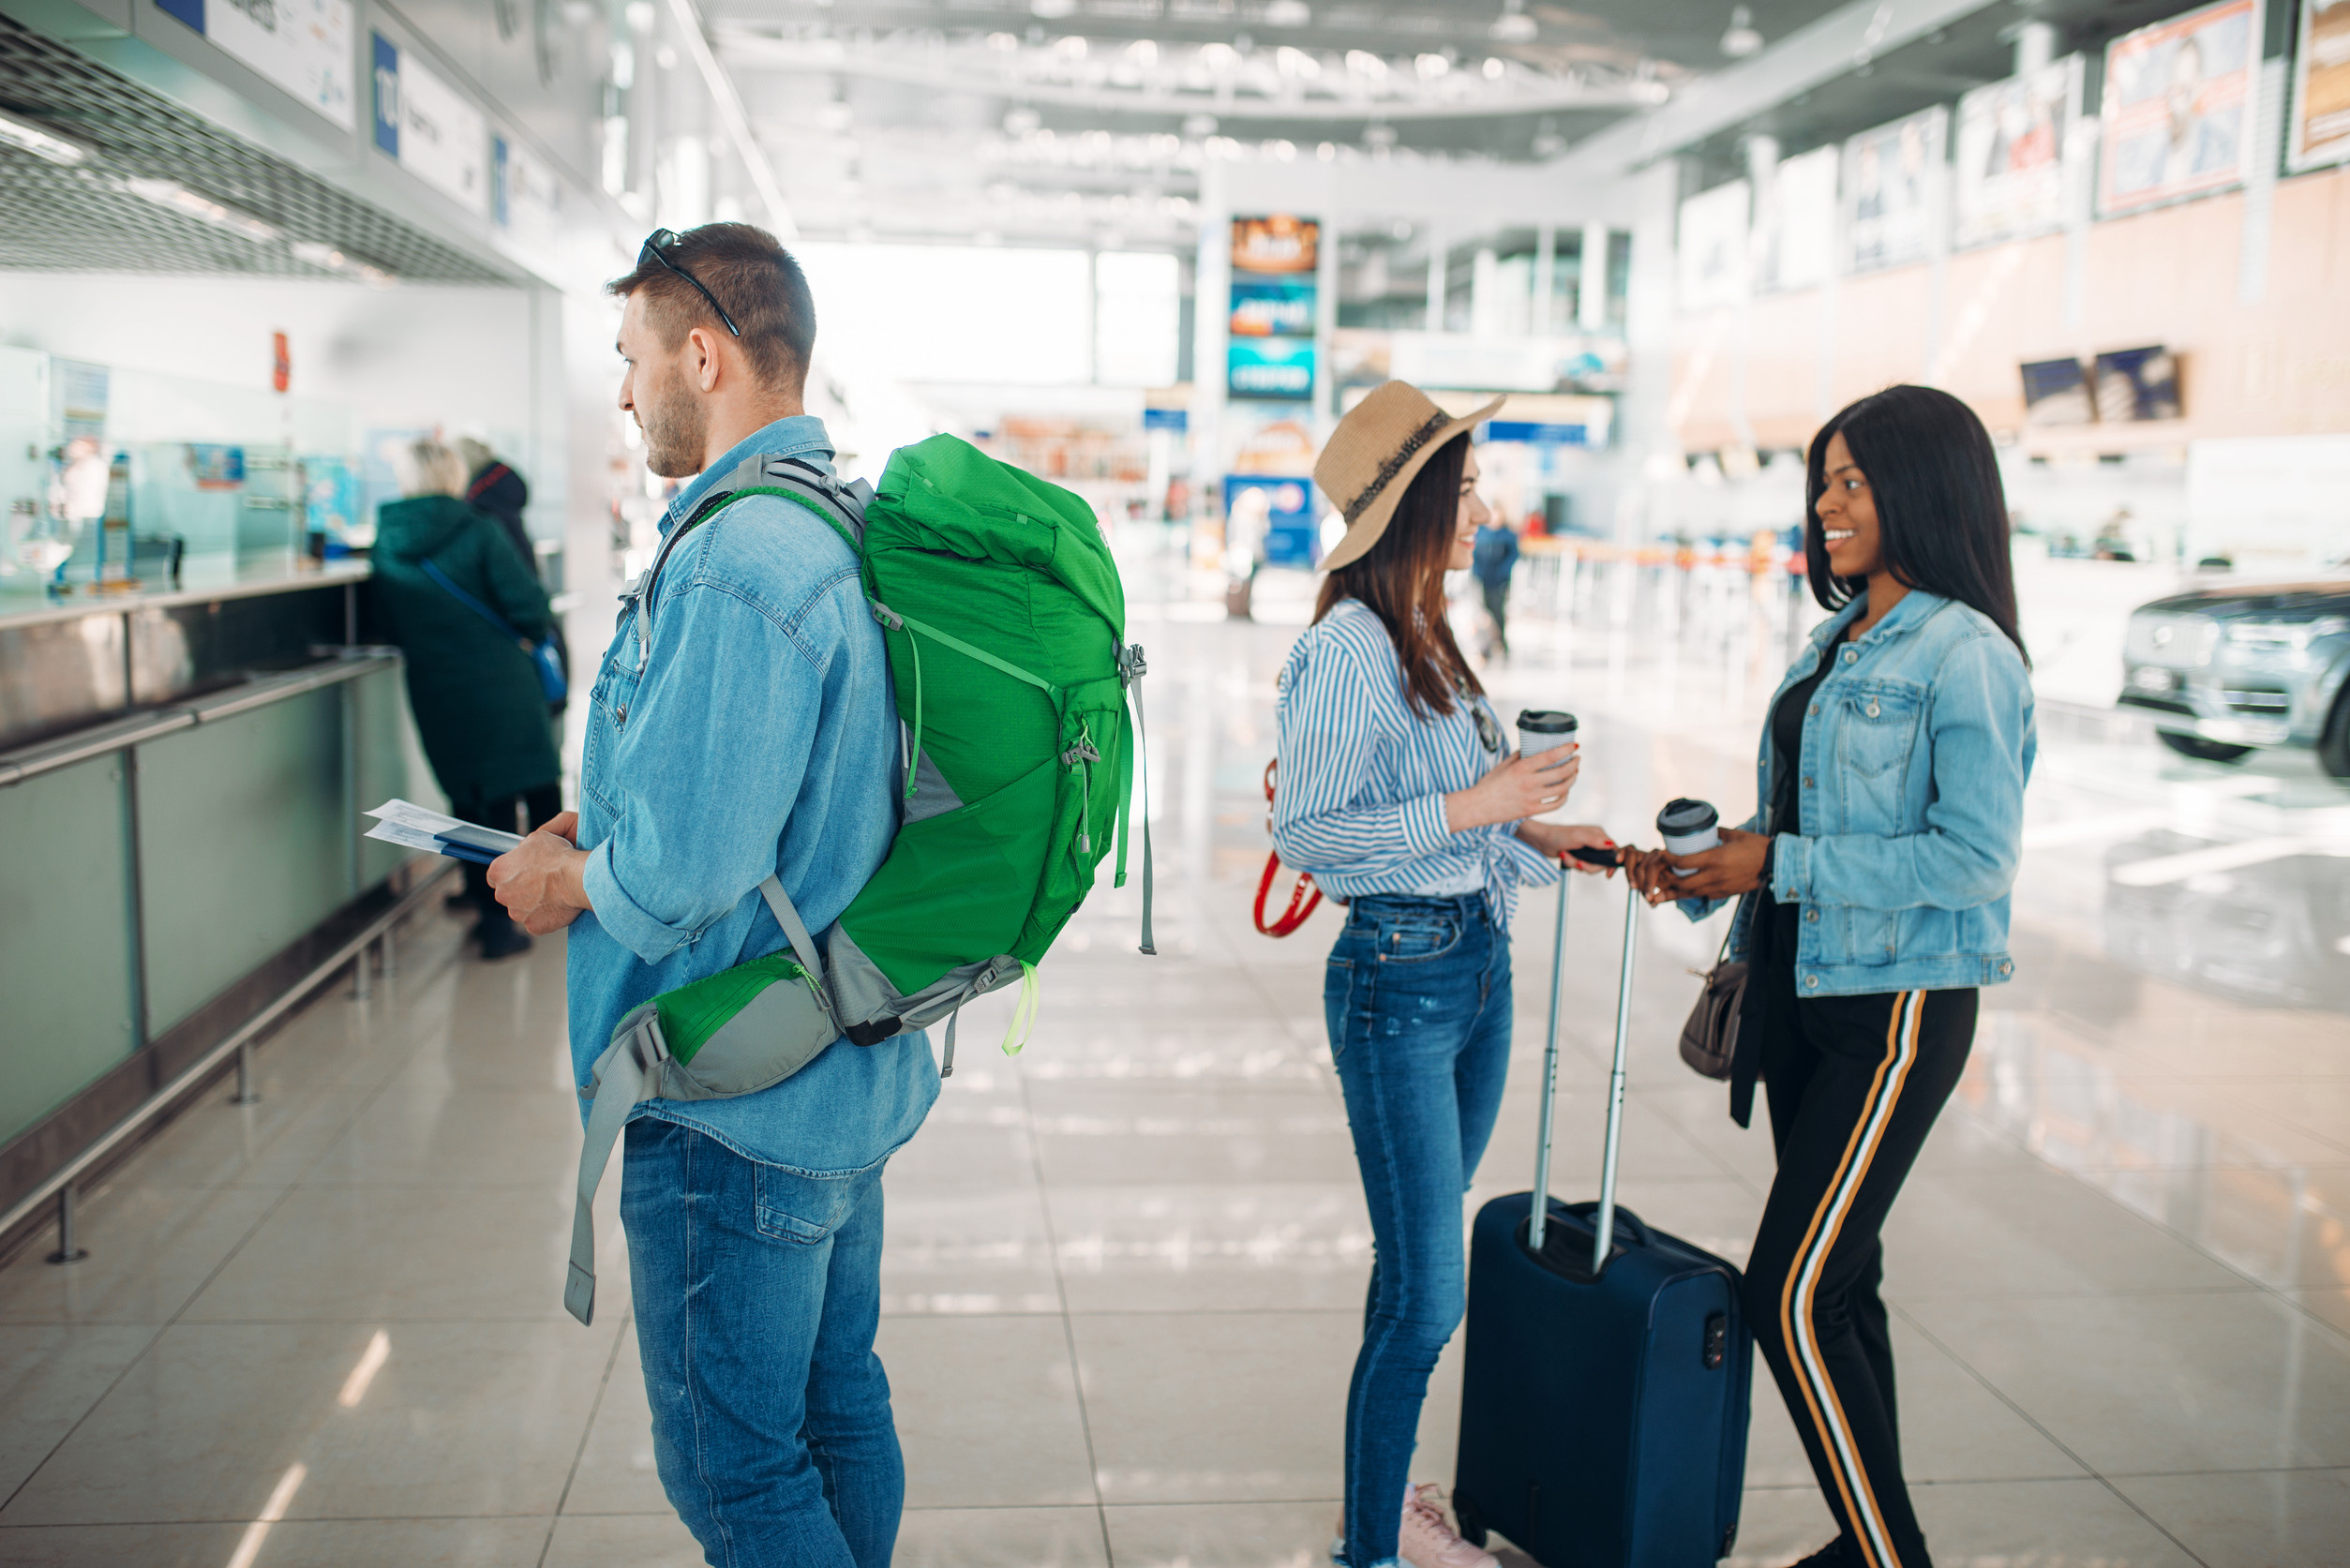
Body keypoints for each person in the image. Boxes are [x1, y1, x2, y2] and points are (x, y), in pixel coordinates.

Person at [485, 223, 927, 1568]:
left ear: (703, 349)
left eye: (631, 359)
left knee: (733, 1470)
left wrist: (560, 875)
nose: (622, 392)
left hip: (735, 1098)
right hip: (843, 1064)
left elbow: (685, 872)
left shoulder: (739, 559)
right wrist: (606, 816)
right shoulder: (834, 524)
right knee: (834, 1404)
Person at [1622, 384, 2035, 1568]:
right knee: (1840, 1287)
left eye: (1852, 481)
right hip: (1800, 998)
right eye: (1825, 480)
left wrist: (1779, 857)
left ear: (1920, 489)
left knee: (1786, 1296)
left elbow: (1972, 858)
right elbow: (1800, 821)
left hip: (1893, 1012)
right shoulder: (1840, 635)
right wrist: (1705, 871)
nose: (1826, 504)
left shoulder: (1967, 654)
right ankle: (1868, 1544)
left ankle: (1885, 1550)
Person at [1272, 381, 1618, 1568]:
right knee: (1426, 1294)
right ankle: (1369, 1549)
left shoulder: (1427, 631)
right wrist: (1485, 800)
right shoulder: (1347, 647)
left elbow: (1427, 814)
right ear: (1412, 506)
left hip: (1474, 969)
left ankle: (1370, 1505)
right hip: (1398, 986)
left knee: (1413, 1269)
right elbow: (1312, 834)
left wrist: (1533, 833)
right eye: (1463, 490)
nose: (1480, 510)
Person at [371, 438, 563, 961]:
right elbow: (528, 608)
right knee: (528, 785)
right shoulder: (479, 530)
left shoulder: (385, 541)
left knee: (467, 795)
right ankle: (538, 901)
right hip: (500, 681)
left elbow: (387, 622)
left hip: (436, 686)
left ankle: (487, 914)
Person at [457, 438, 571, 718]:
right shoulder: (499, 501)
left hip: (515, 647)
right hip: (535, 637)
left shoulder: (482, 512)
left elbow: (515, 591)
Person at [1468, 513, 1519, 659]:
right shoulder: (1481, 533)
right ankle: (1485, 644)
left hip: (1499, 581)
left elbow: (1513, 556)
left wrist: (1501, 573)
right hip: (1482, 579)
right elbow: (1474, 555)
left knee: (1497, 611)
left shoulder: (1507, 535)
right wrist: (1477, 572)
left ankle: (1500, 640)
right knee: (1482, 612)